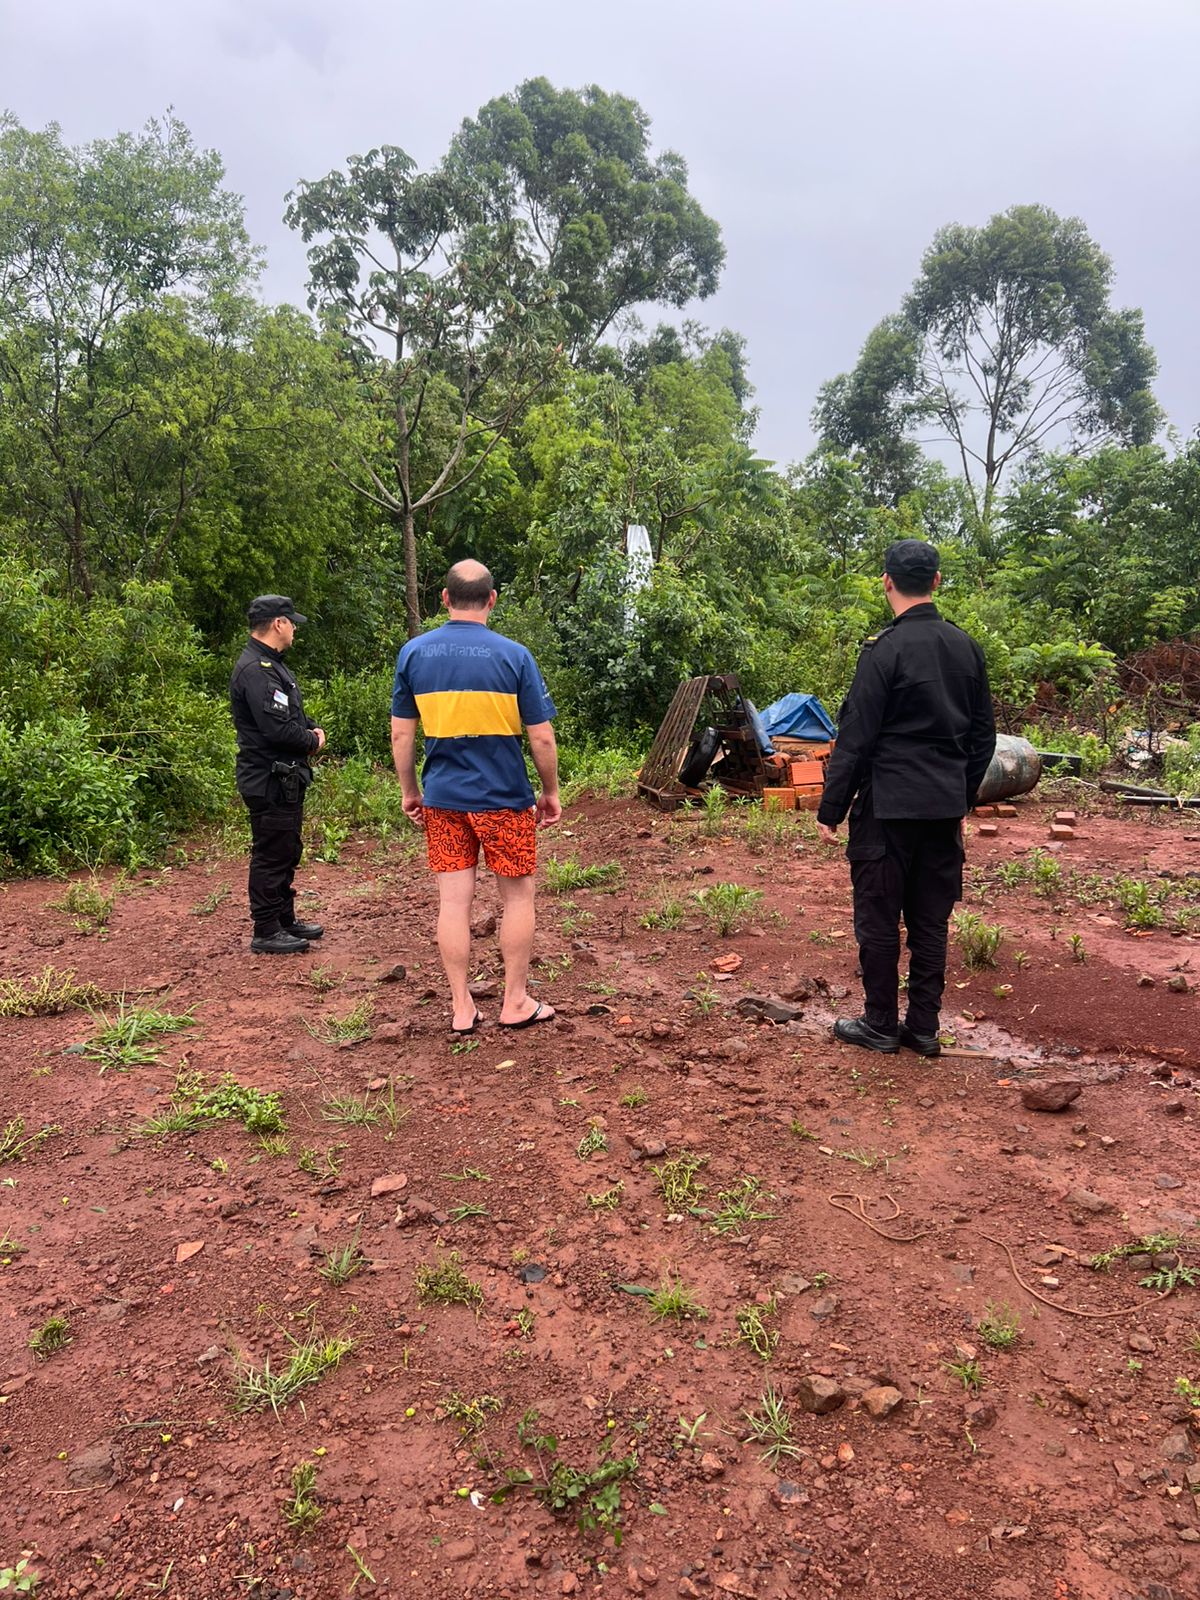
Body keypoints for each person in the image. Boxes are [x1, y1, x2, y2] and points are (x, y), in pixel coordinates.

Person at [816, 540, 996, 1056]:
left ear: (886, 581)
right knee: (930, 919)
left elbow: (856, 736)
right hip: (941, 810)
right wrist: (958, 798)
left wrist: (832, 809)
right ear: (937, 581)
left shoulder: (883, 651)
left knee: (878, 916)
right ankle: (923, 1028)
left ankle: (879, 1023)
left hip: (887, 811)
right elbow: (984, 736)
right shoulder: (967, 648)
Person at [390, 559, 562, 1034]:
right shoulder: (515, 656)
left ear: (444, 599)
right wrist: (549, 791)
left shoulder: (414, 654)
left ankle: (462, 1009)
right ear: (491, 599)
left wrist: (412, 792)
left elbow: (402, 737)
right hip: (505, 799)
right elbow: (542, 738)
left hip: (443, 800)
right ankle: (515, 1002)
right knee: (518, 898)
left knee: (452, 903)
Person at [229, 595, 326, 954]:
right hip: (269, 778)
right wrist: (312, 741)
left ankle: (285, 919)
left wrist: (310, 730)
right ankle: (266, 928)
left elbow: (291, 718)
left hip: (284, 778)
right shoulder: (256, 670)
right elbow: (278, 731)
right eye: (291, 621)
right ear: (277, 624)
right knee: (271, 852)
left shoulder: (270, 664)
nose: (295, 627)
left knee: (286, 848)